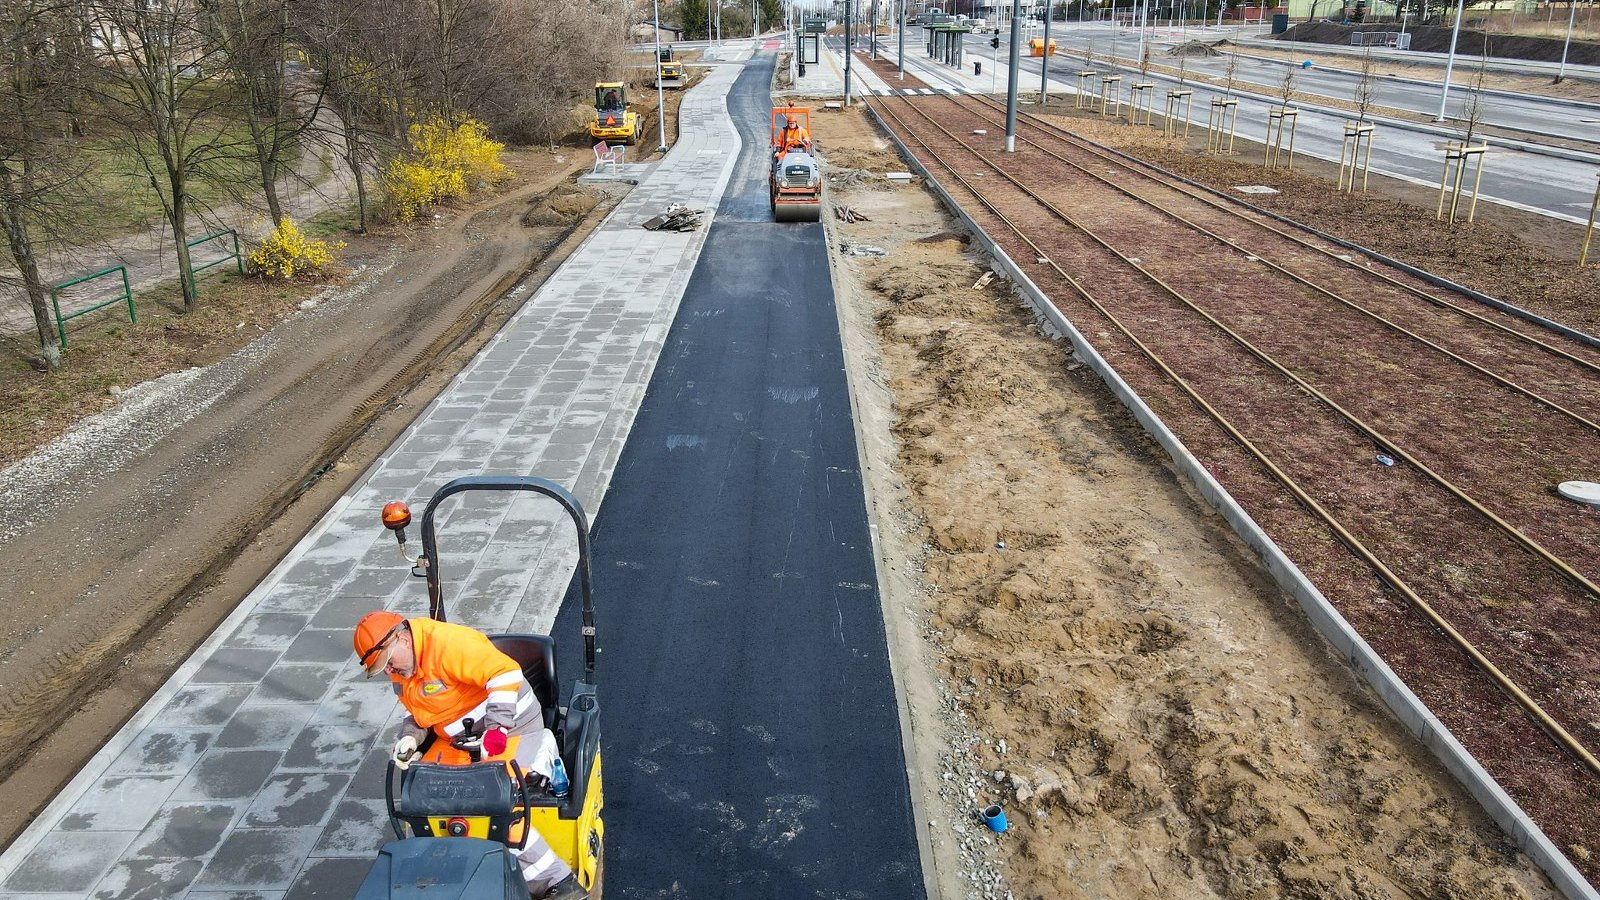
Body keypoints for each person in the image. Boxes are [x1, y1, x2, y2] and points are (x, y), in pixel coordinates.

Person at [354, 610, 584, 900]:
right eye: (382, 669)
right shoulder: (403, 671)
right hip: (459, 740)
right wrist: (409, 739)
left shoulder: (449, 644)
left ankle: (559, 883)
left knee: (494, 803)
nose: (389, 672)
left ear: (402, 640)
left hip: (514, 729)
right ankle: (435, 877)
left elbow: (506, 673)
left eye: (388, 663)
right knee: (422, 800)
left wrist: (498, 727)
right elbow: (417, 713)